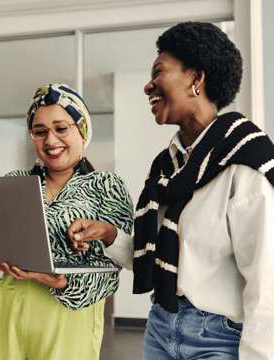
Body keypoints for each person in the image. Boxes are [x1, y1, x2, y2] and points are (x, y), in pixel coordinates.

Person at [68, 22, 274, 359]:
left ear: (196, 77)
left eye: (158, 72)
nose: (148, 85)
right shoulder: (166, 168)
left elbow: (267, 286)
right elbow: (164, 258)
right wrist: (109, 236)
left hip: (219, 340)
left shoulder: (245, 164)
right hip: (162, 329)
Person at [0, 84, 133, 360]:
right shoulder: (15, 181)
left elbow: (113, 270)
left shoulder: (106, 186)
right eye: (40, 132)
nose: (50, 140)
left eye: (61, 128)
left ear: (83, 131)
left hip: (68, 313)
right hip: (11, 303)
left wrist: (62, 282)